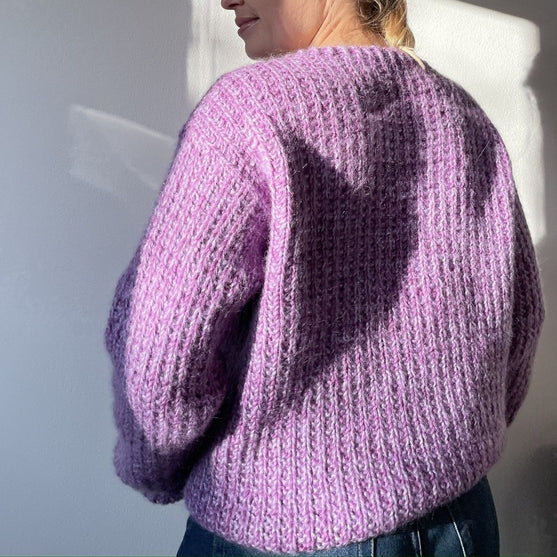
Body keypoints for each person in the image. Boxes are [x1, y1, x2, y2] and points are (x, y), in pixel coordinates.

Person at [103, 0, 546, 555]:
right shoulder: (463, 117)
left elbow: (161, 353)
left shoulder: (247, 112)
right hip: (458, 519)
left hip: (286, 526)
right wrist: (448, 446)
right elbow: (520, 321)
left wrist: (153, 468)